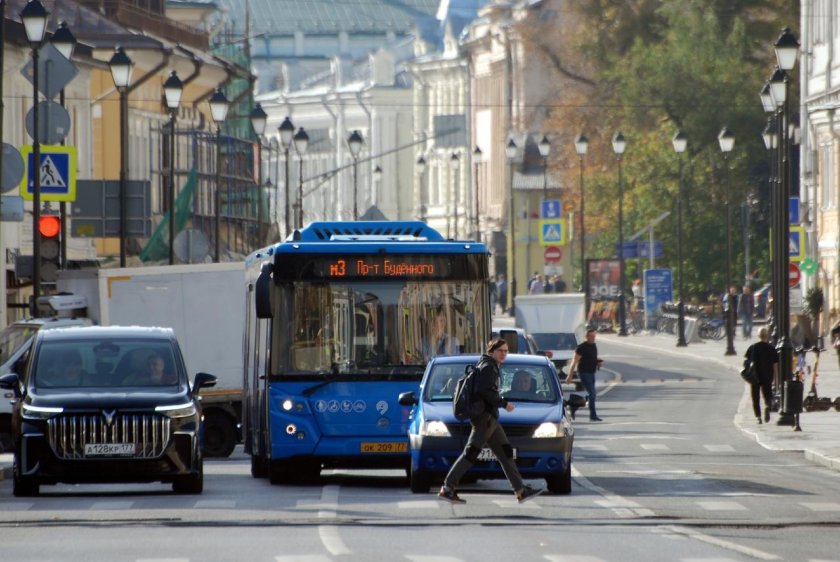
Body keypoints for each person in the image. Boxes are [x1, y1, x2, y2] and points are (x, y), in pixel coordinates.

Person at [438, 338, 543, 504]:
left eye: (506, 351)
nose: (503, 354)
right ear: (491, 351)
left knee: (505, 453)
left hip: (490, 419)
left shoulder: (488, 365)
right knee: (471, 453)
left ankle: (520, 490)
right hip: (484, 419)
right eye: (500, 351)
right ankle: (447, 488)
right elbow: (486, 392)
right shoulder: (488, 367)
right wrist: (504, 403)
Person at [564, 328, 604, 421]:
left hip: (592, 372)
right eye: (591, 336)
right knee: (592, 394)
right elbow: (574, 361)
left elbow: (592, 358)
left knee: (590, 394)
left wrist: (598, 362)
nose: (593, 338)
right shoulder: (581, 347)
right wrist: (569, 375)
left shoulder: (594, 346)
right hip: (584, 373)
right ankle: (593, 416)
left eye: (594, 336)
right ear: (586, 337)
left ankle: (574, 405)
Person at [744, 328, 778, 424]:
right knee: (768, 394)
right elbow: (775, 365)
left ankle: (758, 417)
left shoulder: (753, 347)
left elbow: (746, 361)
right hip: (767, 375)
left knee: (755, 396)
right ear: (767, 336)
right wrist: (775, 378)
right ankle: (767, 406)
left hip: (755, 375)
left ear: (758, 336)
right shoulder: (771, 348)